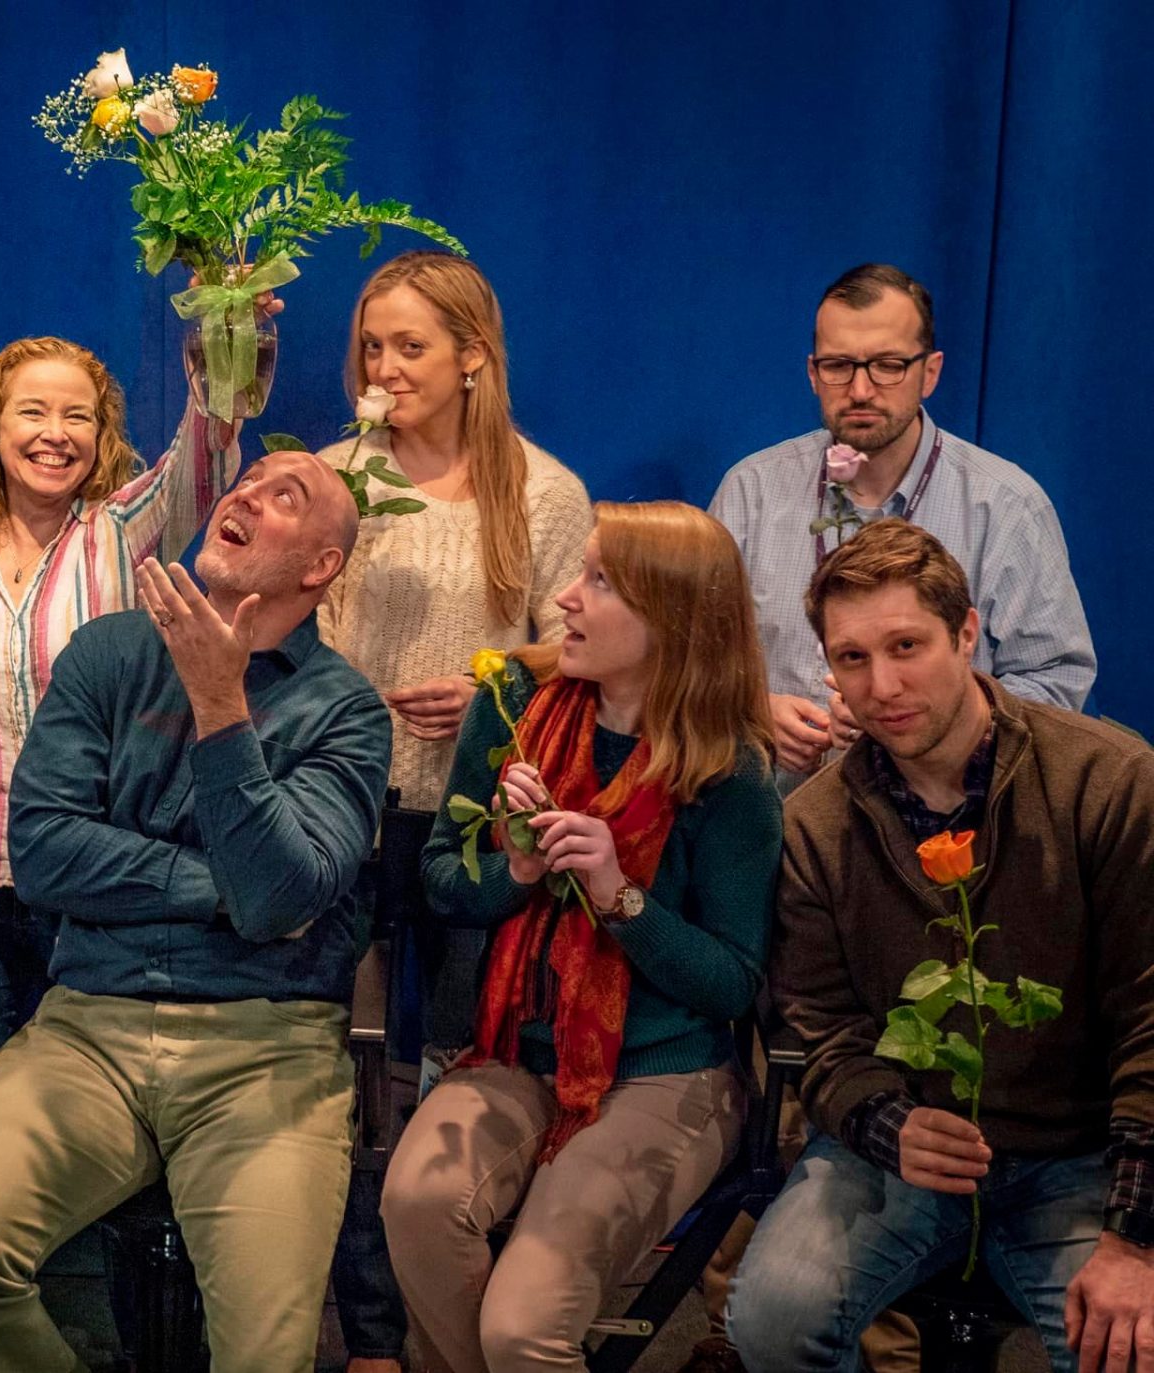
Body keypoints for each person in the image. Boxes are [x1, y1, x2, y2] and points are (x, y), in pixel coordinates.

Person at [0, 449, 390, 1373]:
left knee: (265, 1354)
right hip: (89, 1030)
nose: (245, 491)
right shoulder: (110, 652)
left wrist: (218, 702)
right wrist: (233, 893)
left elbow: (284, 890)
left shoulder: (345, 710)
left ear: (320, 566)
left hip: (267, 1051)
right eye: (250, 480)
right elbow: (43, 852)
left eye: (288, 496)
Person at [728, 519, 1154, 1373]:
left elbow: (1150, 1014)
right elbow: (823, 1026)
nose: (881, 685)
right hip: (900, 1152)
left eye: (907, 645)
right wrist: (888, 1124)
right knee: (771, 1320)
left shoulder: (1105, 779)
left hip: (1078, 1156)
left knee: (1132, 1345)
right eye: (852, 659)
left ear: (967, 633)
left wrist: (1135, 1239)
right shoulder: (813, 823)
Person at [385, 501, 779, 1373]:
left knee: (523, 1327)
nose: (563, 597)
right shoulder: (515, 706)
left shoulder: (730, 771)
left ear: (671, 617)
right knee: (418, 1204)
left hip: (665, 1068)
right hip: (517, 1049)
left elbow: (731, 982)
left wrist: (618, 895)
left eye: (599, 581)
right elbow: (444, 880)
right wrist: (515, 871)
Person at [316, 248, 595, 1373]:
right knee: (341, 1078)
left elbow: (578, 651)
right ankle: (367, 1334)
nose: (385, 367)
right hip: (345, 814)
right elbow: (283, 631)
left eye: (411, 346)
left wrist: (493, 673)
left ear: (475, 356)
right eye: (371, 347)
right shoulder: (336, 476)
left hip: (477, 827)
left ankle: (453, 1327)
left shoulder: (544, 490)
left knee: (461, 1078)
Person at [0, 328, 264, 1081]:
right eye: (33, 413)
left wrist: (230, 322)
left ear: (101, 433)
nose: (55, 435)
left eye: (77, 416)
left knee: (71, 1105)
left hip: (91, 889)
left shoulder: (125, 529)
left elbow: (208, 448)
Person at [710, 262, 1094, 790]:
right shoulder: (750, 492)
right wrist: (750, 710)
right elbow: (684, 661)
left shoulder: (1005, 505)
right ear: (811, 372)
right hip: (771, 827)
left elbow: (1057, 682)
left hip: (943, 832)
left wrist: (923, 721)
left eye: (888, 365)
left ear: (929, 372)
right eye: (839, 365)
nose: (861, 390)